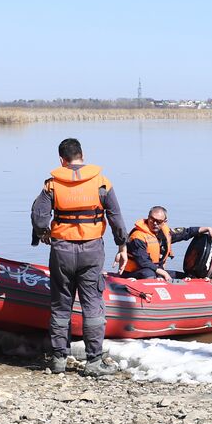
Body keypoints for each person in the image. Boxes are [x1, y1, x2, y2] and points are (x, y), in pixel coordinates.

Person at [30, 138, 126, 376]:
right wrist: (122, 246)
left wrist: (43, 233)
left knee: (60, 305)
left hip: (61, 251)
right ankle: (93, 362)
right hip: (92, 250)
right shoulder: (102, 182)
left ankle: (59, 360)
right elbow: (116, 217)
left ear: (61, 160)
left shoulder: (52, 185)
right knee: (92, 304)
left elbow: (38, 215)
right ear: (83, 155)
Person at [118, 206, 212, 281]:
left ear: (164, 222)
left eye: (159, 221)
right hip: (134, 273)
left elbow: (185, 233)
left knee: (187, 277)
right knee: (148, 273)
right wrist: (163, 273)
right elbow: (143, 262)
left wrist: (206, 228)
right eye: (152, 220)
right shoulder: (138, 237)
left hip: (156, 271)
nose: (155, 223)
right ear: (148, 218)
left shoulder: (165, 233)